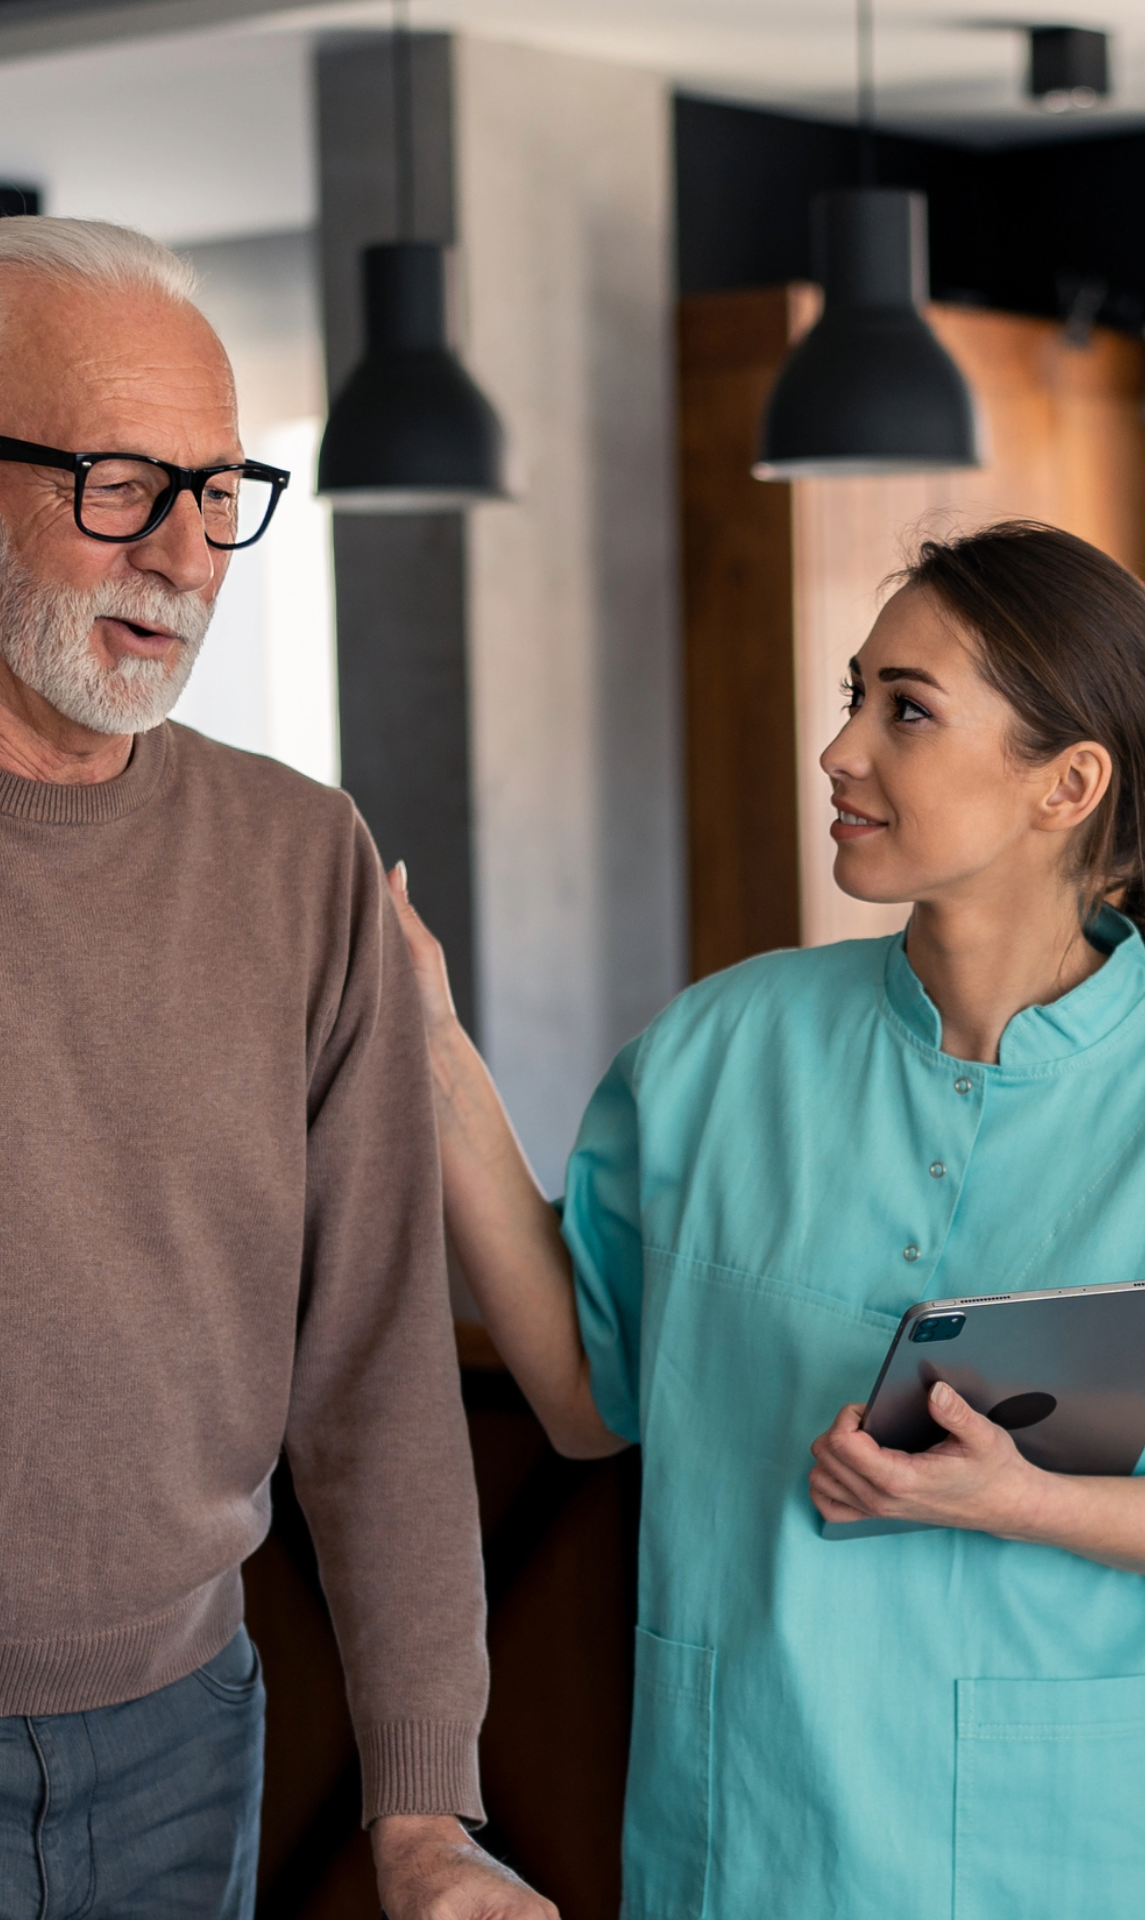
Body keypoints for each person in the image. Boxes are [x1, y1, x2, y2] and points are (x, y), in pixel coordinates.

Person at [0, 217, 556, 1920]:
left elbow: (374, 1368)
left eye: (220, 492)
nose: (192, 556)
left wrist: (429, 1806)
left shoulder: (305, 857)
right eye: (123, 485)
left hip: (187, 1744)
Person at [392, 521, 1145, 1919]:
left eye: (906, 710)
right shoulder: (720, 1048)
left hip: (1066, 1850)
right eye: (854, 695)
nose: (841, 749)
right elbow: (579, 1400)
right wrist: (432, 1045)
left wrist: (1022, 1502)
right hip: (748, 1831)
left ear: (1068, 783)